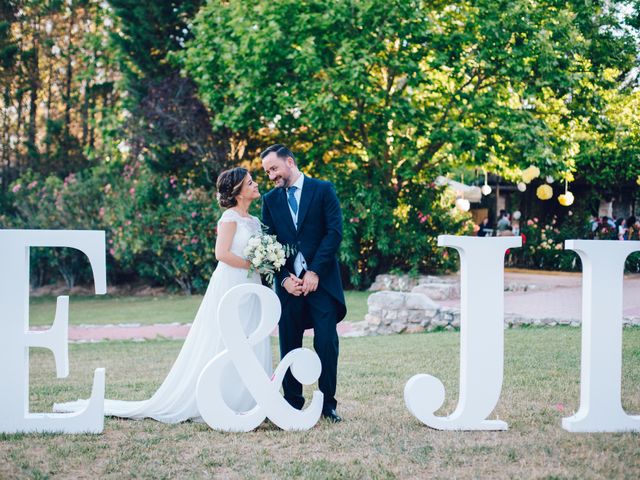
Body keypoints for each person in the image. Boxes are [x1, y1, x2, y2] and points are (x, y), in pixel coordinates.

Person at [55, 168, 272, 422]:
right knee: (225, 338)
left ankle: (252, 399)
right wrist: (252, 265)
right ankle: (222, 399)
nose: (256, 184)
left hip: (252, 285)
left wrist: (263, 262)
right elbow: (221, 254)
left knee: (251, 334)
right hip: (231, 282)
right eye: (250, 182)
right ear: (237, 191)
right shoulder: (229, 218)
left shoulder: (255, 221)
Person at [261, 144, 346, 423]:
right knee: (289, 343)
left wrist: (315, 272)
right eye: (267, 172)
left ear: (289, 161)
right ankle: (293, 402)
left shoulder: (323, 190)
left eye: (274, 168)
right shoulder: (270, 200)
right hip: (289, 289)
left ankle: (328, 404)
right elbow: (268, 244)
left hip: (321, 283)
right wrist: (284, 279)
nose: (271, 176)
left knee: (326, 342)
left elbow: (334, 232)